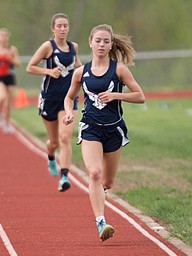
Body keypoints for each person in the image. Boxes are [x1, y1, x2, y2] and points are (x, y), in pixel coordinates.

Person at [63, 24, 145, 241]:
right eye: (97, 40)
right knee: (95, 173)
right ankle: (101, 222)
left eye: (105, 41)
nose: (101, 44)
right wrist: (70, 112)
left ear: (110, 45)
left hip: (113, 130)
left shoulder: (119, 70)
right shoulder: (81, 72)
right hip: (90, 128)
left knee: (107, 182)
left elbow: (140, 96)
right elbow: (70, 96)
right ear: (90, 42)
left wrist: (116, 96)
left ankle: (100, 192)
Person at [26, 13, 82, 192]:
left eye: (65, 25)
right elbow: (30, 67)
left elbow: (79, 68)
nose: (63, 29)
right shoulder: (47, 47)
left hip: (68, 100)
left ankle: (64, 176)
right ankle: (50, 156)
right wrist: (49, 72)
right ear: (53, 28)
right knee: (54, 142)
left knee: (65, 138)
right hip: (49, 99)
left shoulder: (74, 47)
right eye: (59, 26)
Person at [0, 28, 20, 133]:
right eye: (1, 35)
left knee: (8, 102)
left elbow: (18, 64)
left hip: (10, 77)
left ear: (8, 37)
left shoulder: (12, 49)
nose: (3, 38)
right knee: (2, 97)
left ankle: (7, 123)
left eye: (5, 35)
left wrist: (10, 59)